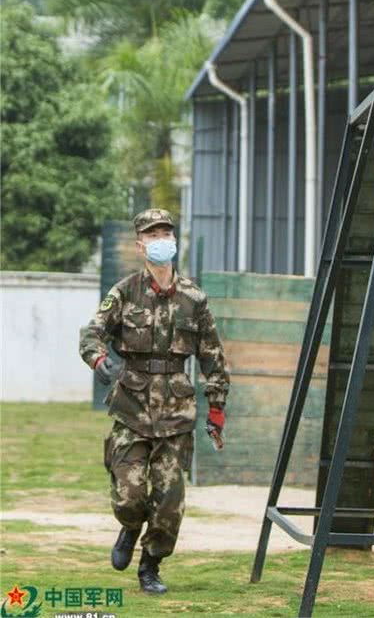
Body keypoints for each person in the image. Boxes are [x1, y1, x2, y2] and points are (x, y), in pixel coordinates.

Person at [79, 209, 230, 595]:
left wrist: (216, 408)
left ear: (174, 241)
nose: (161, 238)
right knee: (128, 497)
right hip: (131, 407)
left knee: (169, 504)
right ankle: (130, 527)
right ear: (139, 245)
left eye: (166, 232)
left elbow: (213, 356)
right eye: (153, 234)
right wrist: (98, 358)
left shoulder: (194, 298)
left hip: (177, 415)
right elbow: (92, 334)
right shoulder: (124, 292)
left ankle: (150, 565)